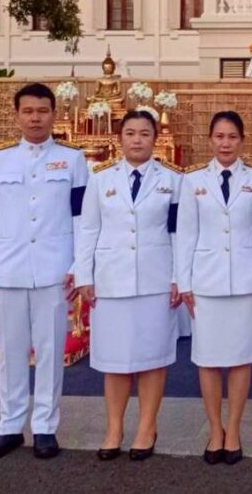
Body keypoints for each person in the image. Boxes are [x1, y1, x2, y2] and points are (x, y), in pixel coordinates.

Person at [0, 82, 89, 460]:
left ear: (54, 115)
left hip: (55, 270)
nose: (35, 118)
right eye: (28, 111)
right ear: (17, 116)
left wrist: (78, 266)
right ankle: (9, 426)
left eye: (42, 111)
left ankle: (44, 427)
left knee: (51, 350)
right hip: (8, 269)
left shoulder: (73, 160)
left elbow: (82, 218)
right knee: (11, 352)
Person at [74, 110, 182, 462]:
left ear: (155, 139)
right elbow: (88, 229)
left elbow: (179, 233)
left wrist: (179, 277)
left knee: (153, 357)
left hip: (155, 279)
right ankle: (114, 429)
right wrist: (84, 276)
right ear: (119, 138)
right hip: (111, 279)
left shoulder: (173, 180)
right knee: (115, 358)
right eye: (131, 133)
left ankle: (146, 428)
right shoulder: (100, 179)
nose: (137, 139)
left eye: (145, 133)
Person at [176, 111, 252, 465]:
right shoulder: (192, 180)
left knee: (242, 358)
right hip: (206, 281)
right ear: (210, 140)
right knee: (208, 359)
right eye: (219, 136)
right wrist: (184, 281)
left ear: (241, 140)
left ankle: (234, 429)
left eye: (232, 137)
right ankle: (215, 430)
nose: (225, 143)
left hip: (246, 281)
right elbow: (185, 233)